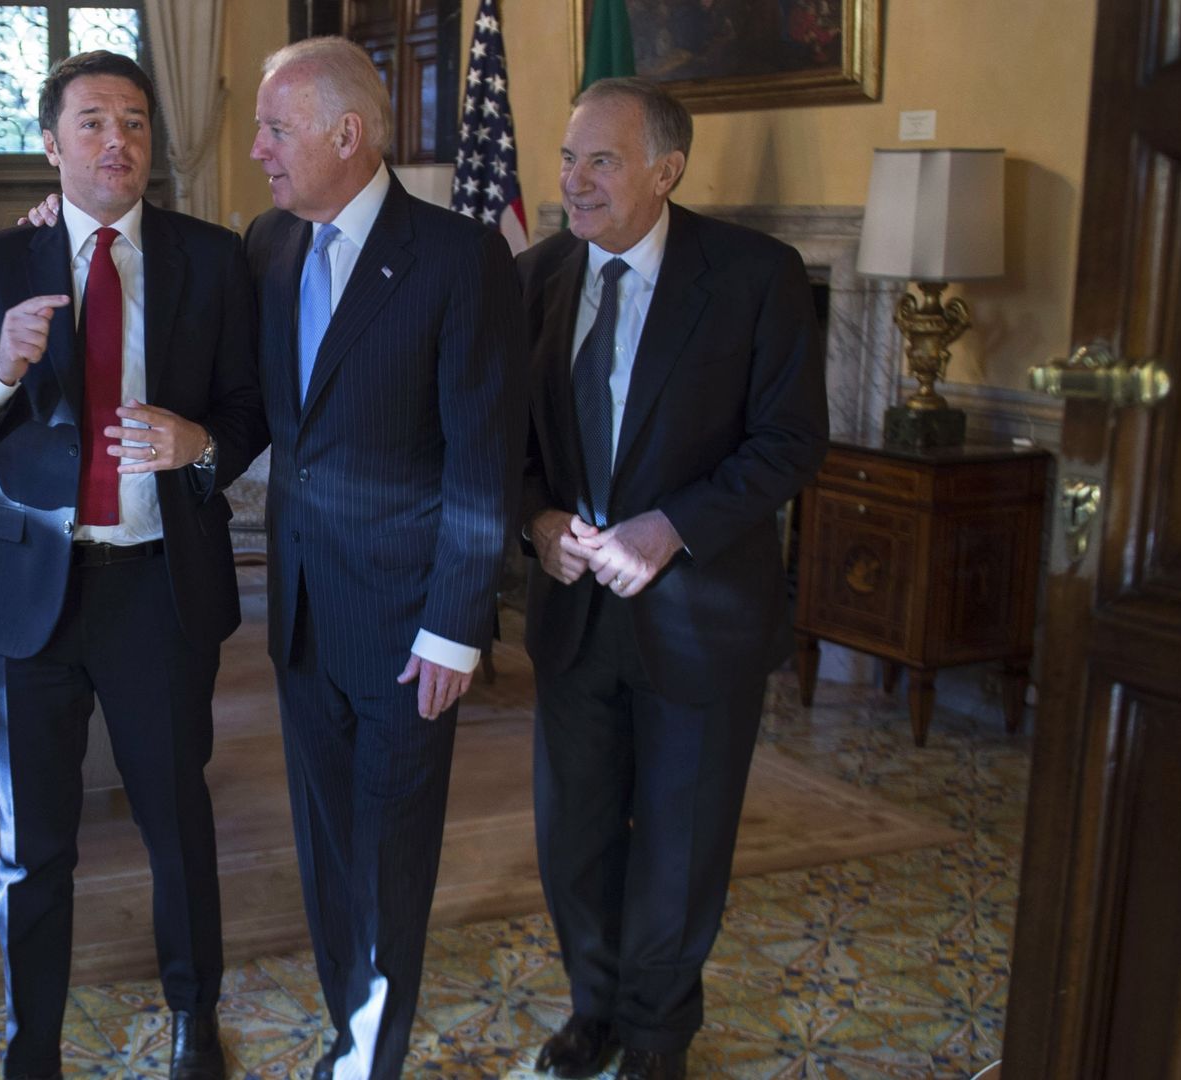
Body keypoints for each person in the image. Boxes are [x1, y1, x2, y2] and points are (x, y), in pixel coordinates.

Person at [0, 51, 266, 1080]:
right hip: (32, 599)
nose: (119, 141)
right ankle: (35, 1047)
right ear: (52, 143)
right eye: (93, 122)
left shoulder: (212, 258)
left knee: (177, 824)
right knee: (37, 850)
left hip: (159, 587)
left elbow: (249, 411)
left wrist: (198, 444)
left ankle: (196, 1024)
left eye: (136, 123)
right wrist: (0, 367)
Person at [516, 78, 827, 1080]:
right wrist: (539, 522)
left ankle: (657, 1034)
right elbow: (502, 442)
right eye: (568, 158)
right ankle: (595, 1009)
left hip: (700, 614)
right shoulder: (534, 278)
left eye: (600, 160)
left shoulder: (755, 276)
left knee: (680, 845)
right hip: (573, 613)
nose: (574, 180)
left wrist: (672, 527)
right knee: (577, 837)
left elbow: (791, 443)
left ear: (667, 169)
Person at [244, 37, 523, 1080]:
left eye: (276, 130)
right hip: (304, 615)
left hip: (412, 627)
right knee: (325, 850)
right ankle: (346, 1027)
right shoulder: (268, 244)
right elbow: (262, 407)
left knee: (392, 854)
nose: (260, 152)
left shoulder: (458, 258)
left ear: (345, 134)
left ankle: (371, 1059)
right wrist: (55, 221)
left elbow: (482, 457)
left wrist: (458, 623)